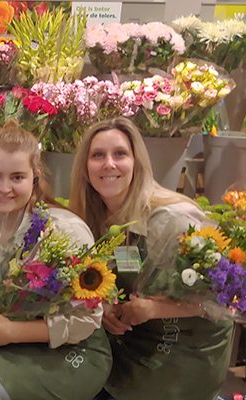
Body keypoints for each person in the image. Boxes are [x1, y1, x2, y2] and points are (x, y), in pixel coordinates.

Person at [0, 121, 112, 400]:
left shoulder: (64, 231)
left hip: (71, 351)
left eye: (17, 177)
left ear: (34, 178)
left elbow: (87, 319)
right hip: (7, 345)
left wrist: (13, 332)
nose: (4, 188)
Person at [69, 117, 234, 400]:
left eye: (120, 154)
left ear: (137, 162)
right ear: (85, 168)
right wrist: (106, 307)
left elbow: (228, 298)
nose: (109, 164)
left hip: (187, 353)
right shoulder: (95, 218)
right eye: (98, 155)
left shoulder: (172, 221)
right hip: (134, 342)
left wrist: (154, 310)